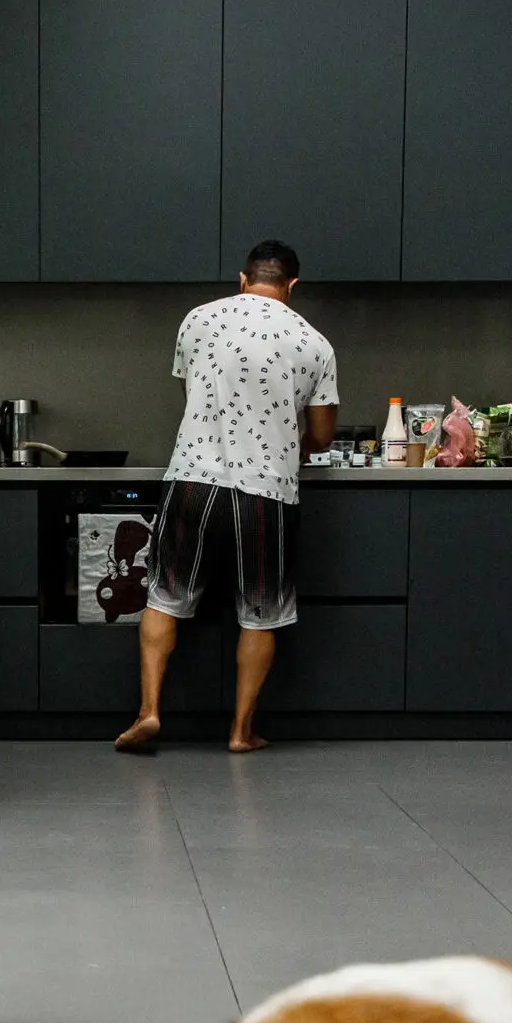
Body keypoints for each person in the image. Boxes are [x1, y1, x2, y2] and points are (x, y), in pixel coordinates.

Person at [115, 240, 338, 755]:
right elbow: (323, 435)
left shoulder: (197, 320)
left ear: (243, 279)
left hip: (193, 478)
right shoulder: (314, 343)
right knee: (260, 614)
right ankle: (240, 731)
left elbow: (191, 390)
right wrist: (291, 441)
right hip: (267, 490)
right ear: (293, 286)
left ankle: (149, 711)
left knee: (165, 597)